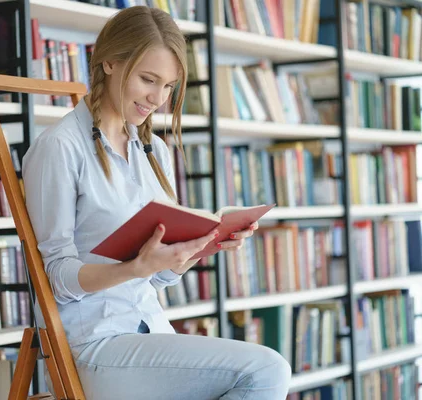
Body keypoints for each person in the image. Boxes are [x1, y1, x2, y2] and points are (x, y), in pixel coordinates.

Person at [22, 5, 291, 400]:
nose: (158, 98)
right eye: (149, 79)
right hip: (93, 345)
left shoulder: (153, 151)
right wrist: (133, 268)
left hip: (149, 330)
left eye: (168, 86)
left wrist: (196, 249)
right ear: (109, 61)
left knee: (256, 374)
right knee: (267, 370)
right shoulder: (60, 147)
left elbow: (161, 276)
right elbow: (56, 280)